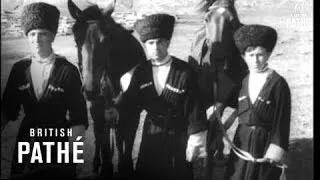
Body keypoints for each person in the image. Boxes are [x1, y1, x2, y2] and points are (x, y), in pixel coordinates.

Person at [1, 2, 88, 179]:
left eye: (43, 34)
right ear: (27, 37)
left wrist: (76, 157)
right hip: (28, 141)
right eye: (32, 34)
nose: (37, 39)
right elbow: (7, 109)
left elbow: (78, 118)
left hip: (59, 141)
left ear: (52, 36)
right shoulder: (19, 69)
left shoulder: (68, 70)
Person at [118, 13, 208, 180]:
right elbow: (131, 105)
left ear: (167, 42)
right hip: (152, 133)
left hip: (178, 135)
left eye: (160, 42)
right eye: (150, 43)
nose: (155, 47)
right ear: (145, 45)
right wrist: (116, 108)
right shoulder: (141, 72)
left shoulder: (185, 72)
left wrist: (196, 138)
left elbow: (194, 109)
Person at [224, 24, 291, 180]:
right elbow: (229, 101)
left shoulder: (278, 83)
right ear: (243, 57)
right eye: (251, 54)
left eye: (260, 54)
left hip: (265, 143)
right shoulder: (242, 81)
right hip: (242, 141)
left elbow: (283, 119)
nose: (255, 60)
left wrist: (276, 148)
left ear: (268, 54)